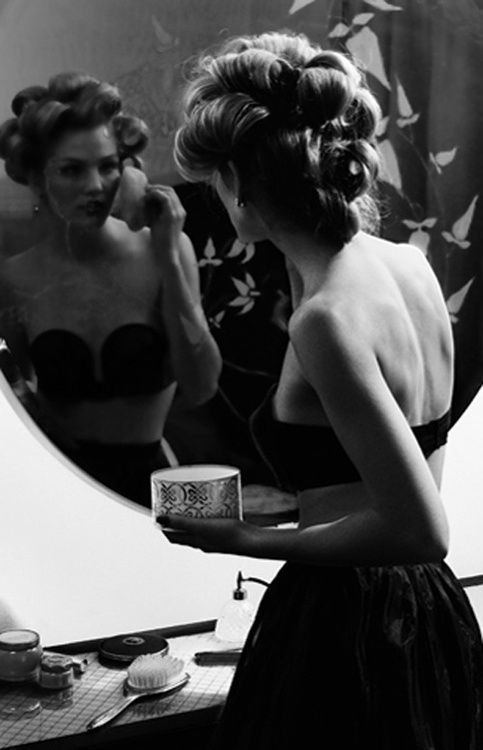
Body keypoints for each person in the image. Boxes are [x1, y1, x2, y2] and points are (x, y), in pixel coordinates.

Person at [159, 31, 483, 749]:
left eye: (215, 179)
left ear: (239, 183)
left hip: (351, 624)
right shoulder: (410, 267)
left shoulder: (325, 320)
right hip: (430, 613)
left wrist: (242, 537)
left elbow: (418, 529)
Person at [0, 72, 222, 508]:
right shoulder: (15, 278)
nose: (95, 186)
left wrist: (170, 258)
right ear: (39, 180)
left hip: (150, 491)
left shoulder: (165, 251)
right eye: (72, 170)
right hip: (57, 489)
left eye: (107, 166)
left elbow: (201, 387)